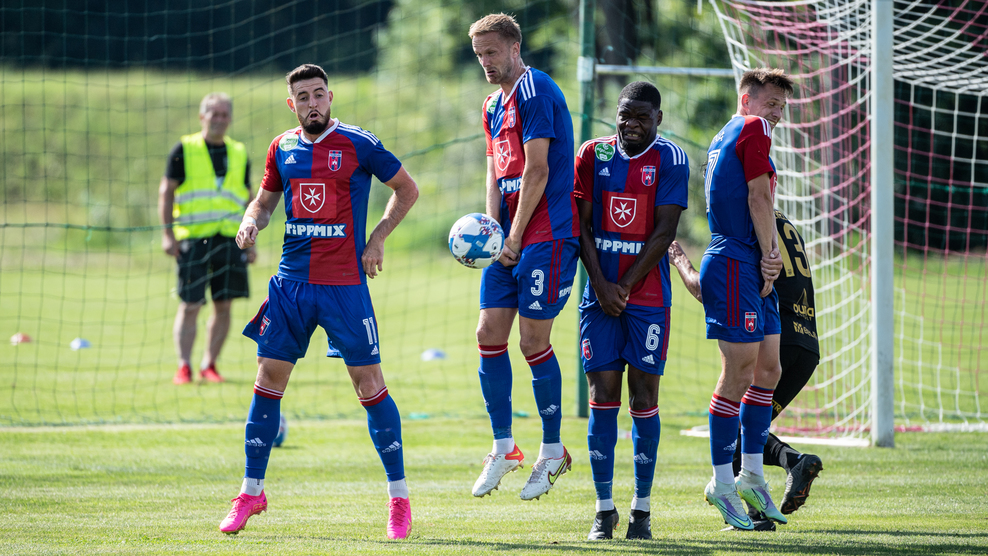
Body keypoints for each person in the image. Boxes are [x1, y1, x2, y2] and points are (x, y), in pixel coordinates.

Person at [218, 64, 419, 540]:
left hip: (345, 287)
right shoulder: (281, 147)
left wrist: (377, 238)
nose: (312, 103)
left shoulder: (358, 143)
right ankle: (250, 492)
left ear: (330, 97)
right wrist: (250, 220)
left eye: (319, 94)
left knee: (369, 385)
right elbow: (264, 203)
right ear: (292, 104)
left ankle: (399, 500)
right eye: (303, 97)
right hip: (291, 286)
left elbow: (407, 189)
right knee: (267, 380)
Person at [467, 13, 580, 501]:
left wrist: (513, 237)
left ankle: (552, 450)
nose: (486, 62)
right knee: (488, 334)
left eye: (492, 52)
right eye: (479, 55)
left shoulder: (536, 90)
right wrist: (492, 234)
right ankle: (504, 447)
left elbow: (537, 171)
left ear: (515, 48)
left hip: (546, 236)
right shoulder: (492, 104)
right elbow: (495, 173)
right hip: (509, 240)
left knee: (533, 341)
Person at [574, 81, 689, 540]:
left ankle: (641, 511)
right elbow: (580, 226)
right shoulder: (593, 154)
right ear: (616, 114)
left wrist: (622, 286)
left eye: (643, 116)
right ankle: (604, 510)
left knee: (644, 398)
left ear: (658, 118)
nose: (632, 124)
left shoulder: (671, 159)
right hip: (599, 300)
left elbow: (664, 233)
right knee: (602, 397)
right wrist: (601, 286)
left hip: (647, 301)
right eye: (626, 115)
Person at [669, 209, 823, 531]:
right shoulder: (779, 221)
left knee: (734, 425)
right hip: (807, 346)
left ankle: (766, 497)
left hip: (776, 338)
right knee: (747, 425)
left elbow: (712, 289)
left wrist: (680, 260)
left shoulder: (746, 224)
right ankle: (782, 475)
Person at [697, 67, 795, 531]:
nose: (776, 113)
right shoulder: (752, 128)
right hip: (738, 260)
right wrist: (772, 255)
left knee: (769, 369)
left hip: (749, 261)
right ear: (746, 101)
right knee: (737, 372)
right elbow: (758, 199)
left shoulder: (727, 135)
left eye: (781, 106)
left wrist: (766, 256)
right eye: (770, 103)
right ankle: (721, 482)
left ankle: (752, 474)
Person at [158, 92, 255, 385]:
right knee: (190, 304)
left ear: (230, 118)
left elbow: (249, 198)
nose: (220, 120)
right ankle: (184, 366)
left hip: (230, 240)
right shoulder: (183, 149)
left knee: (224, 306)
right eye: (214, 114)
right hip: (193, 240)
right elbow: (166, 191)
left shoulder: (239, 152)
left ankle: (209, 364)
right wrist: (167, 234)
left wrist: (253, 241)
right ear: (202, 117)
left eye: (225, 114)